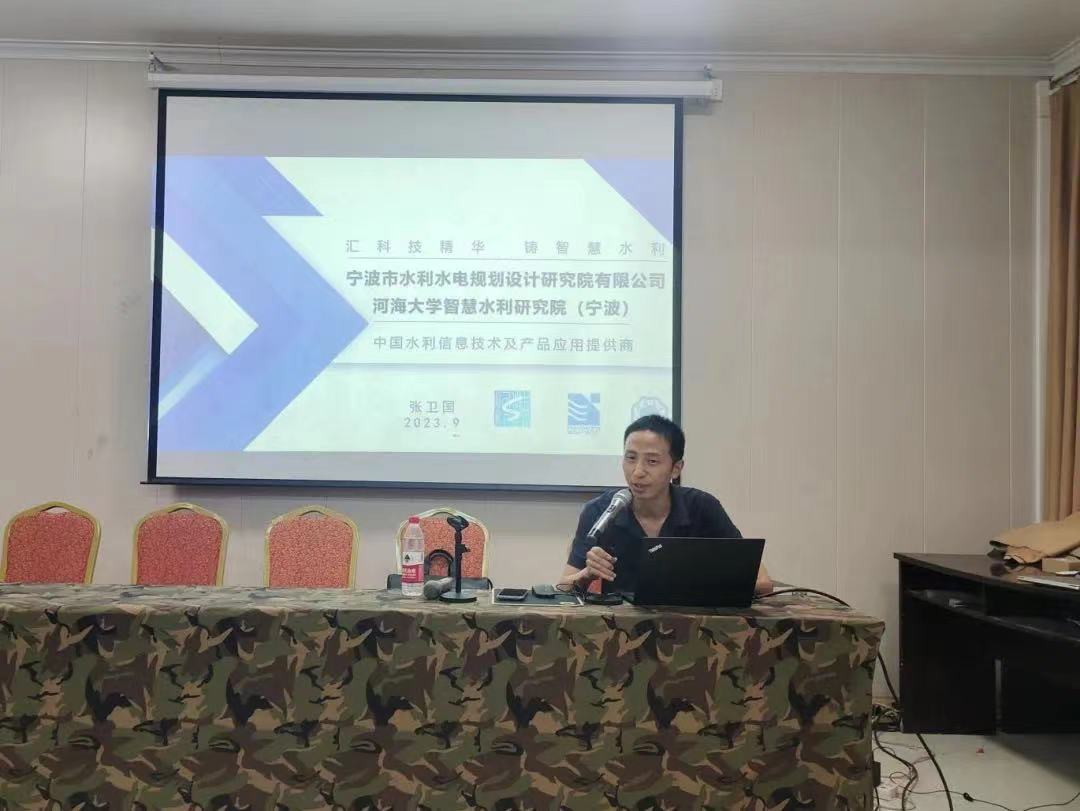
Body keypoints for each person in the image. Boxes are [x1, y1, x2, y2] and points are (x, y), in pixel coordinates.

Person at [560, 415, 772, 595]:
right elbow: (563, 586)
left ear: (676, 468)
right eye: (631, 458)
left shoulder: (702, 507)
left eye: (652, 461)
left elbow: (763, 582)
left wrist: (707, 585)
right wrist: (586, 575)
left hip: (693, 622)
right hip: (623, 625)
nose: (638, 472)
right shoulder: (600, 511)